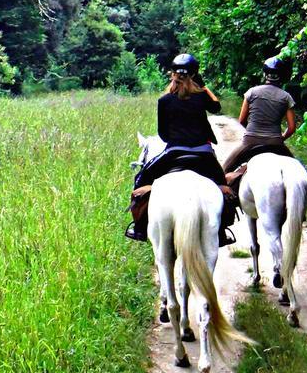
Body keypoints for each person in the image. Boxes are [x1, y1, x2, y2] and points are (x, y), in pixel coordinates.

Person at [126, 53, 236, 242]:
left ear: (172, 74)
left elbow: (163, 135)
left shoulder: (164, 101)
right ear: (194, 74)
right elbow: (216, 107)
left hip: (173, 152)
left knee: (141, 179)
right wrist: (202, 86)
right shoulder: (201, 97)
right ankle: (222, 228)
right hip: (204, 154)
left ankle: (140, 227)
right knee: (223, 187)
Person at [223, 56, 297, 188]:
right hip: (276, 143)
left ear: (265, 74)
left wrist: (252, 132)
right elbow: (291, 127)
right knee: (298, 171)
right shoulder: (286, 97)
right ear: (281, 75)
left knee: (224, 170)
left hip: (251, 142)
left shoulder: (252, 92)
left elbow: (241, 120)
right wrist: (281, 138)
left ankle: (227, 201)